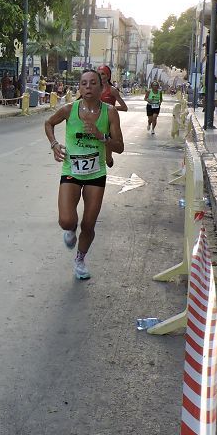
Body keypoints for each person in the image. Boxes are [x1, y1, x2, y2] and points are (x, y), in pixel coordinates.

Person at [44, 69, 125, 279]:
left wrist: (102, 136)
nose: (88, 87)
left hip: (96, 174)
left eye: (92, 83)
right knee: (66, 221)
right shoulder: (69, 109)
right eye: (83, 83)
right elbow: (48, 123)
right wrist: (54, 144)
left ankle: (80, 260)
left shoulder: (110, 113)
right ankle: (70, 230)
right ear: (79, 88)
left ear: (101, 87)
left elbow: (120, 147)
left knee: (89, 223)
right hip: (71, 170)